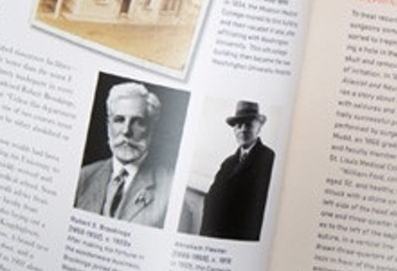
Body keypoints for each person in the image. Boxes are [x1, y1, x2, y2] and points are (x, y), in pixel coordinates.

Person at [73, 81, 175, 228]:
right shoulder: (84, 176)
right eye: (119, 120)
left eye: (138, 121)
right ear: (109, 126)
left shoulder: (170, 187)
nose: (126, 131)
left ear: (151, 128)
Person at [198, 100, 276, 241]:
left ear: (258, 128)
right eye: (238, 125)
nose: (242, 130)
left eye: (248, 124)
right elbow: (211, 199)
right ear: (234, 130)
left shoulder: (269, 158)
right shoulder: (228, 163)